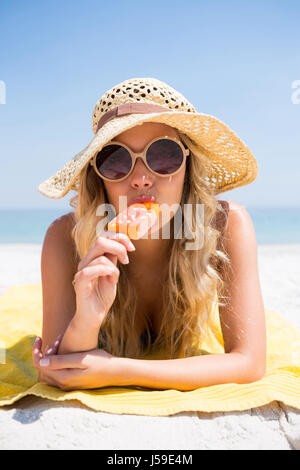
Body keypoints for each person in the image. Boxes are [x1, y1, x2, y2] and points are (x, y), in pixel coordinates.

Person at [32, 77, 266, 391]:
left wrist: (118, 371)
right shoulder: (64, 239)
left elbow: (249, 362)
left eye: (163, 155)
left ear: (188, 165)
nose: (141, 179)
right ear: (98, 178)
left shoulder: (226, 226)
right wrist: (86, 319)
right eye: (116, 160)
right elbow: (60, 371)